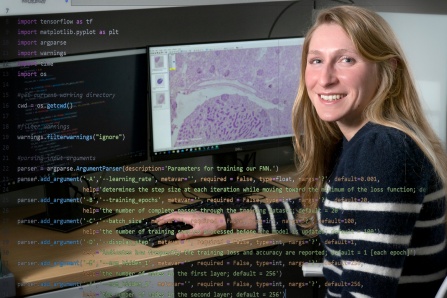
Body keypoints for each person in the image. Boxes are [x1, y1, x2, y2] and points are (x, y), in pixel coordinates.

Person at [156, 5, 447, 297]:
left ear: (388, 68)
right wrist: (224, 220)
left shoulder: (382, 150)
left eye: (346, 60)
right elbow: (321, 212)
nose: (325, 78)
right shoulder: (369, 139)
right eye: (316, 60)